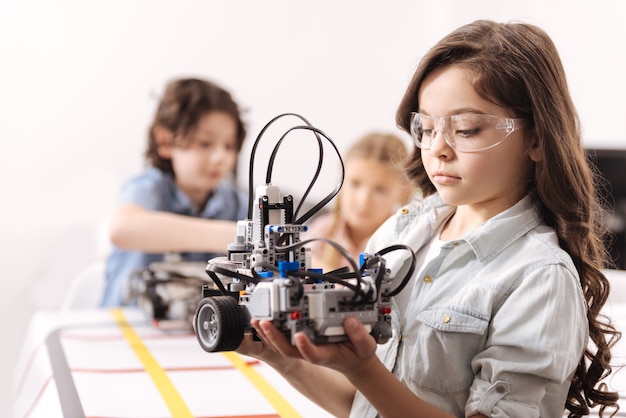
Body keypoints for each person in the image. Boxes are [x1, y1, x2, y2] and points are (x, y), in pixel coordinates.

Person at [234, 20, 622, 417]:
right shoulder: (400, 231)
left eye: (466, 129)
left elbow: (372, 385)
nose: (437, 148)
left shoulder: (539, 277)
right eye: (427, 127)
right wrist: (280, 357)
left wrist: (365, 371)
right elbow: (363, 406)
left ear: (537, 138)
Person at [101, 77, 248, 307]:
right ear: (166, 141)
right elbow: (121, 228)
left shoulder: (233, 201)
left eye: (229, 146)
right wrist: (233, 236)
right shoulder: (150, 188)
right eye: (205, 143)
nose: (221, 157)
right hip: (123, 329)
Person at [304, 132, 415, 272]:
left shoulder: (403, 243)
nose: (363, 200)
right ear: (341, 181)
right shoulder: (321, 232)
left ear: (404, 193)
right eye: (355, 184)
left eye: (380, 190)